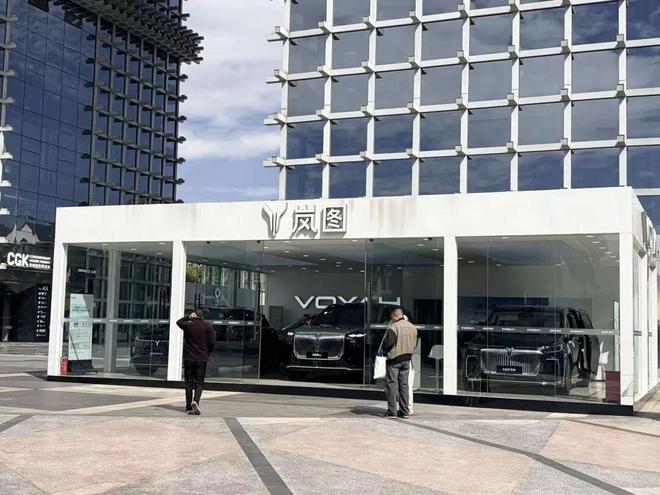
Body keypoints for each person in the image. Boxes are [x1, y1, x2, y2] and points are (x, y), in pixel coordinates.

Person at [176, 309, 215, 415]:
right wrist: (208, 352)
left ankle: (188, 406)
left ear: (194, 316)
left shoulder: (188, 325)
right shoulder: (208, 326)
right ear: (202, 317)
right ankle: (196, 402)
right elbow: (212, 342)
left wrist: (188, 317)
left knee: (189, 383)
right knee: (199, 382)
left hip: (189, 358)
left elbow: (178, 322)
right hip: (201, 358)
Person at [381, 307, 417, 418]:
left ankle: (392, 411)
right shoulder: (412, 327)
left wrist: (385, 351)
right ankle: (404, 411)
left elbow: (389, 343)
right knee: (404, 386)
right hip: (407, 360)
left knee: (391, 385)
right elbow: (415, 343)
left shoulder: (394, 326)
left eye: (391, 316)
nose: (391, 318)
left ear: (395, 315)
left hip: (395, 359)